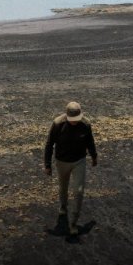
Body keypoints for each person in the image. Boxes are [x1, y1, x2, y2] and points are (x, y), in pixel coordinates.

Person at [44, 101, 98, 236]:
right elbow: (49, 144)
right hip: (62, 162)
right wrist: (47, 165)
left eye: (77, 120)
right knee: (63, 188)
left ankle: (73, 222)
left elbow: (90, 141)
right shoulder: (57, 124)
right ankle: (63, 207)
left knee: (79, 191)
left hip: (79, 161)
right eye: (72, 120)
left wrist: (94, 156)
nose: (75, 122)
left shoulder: (85, 124)